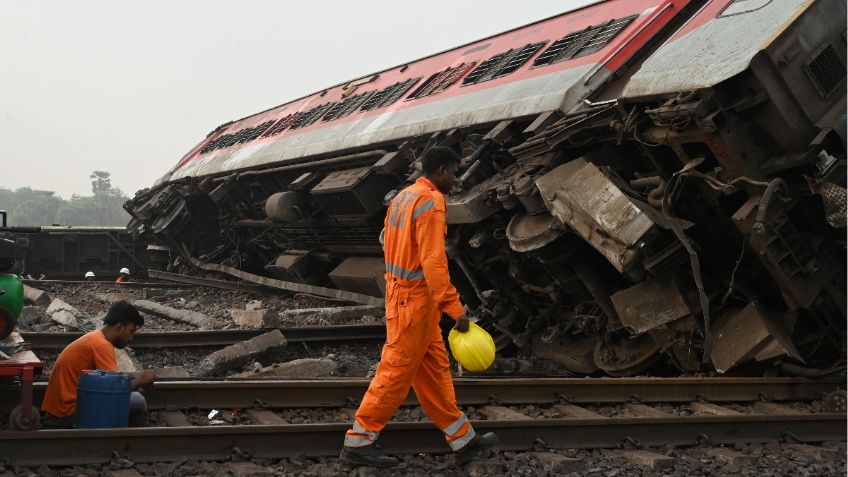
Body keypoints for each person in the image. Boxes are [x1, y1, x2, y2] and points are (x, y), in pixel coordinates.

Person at [340, 147, 498, 467]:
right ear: (440, 171)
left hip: (409, 299)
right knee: (396, 372)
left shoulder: (402, 197)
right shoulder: (431, 201)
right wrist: (456, 309)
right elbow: (433, 262)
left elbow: (386, 240)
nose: (456, 178)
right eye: (454, 172)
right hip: (414, 301)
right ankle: (358, 441)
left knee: (434, 371)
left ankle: (463, 439)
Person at [41, 300, 156, 428]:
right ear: (119, 327)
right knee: (137, 401)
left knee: (134, 395)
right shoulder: (102, 345)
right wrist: (140, 381)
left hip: (60, 411)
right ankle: (124, 443)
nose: (131, 338)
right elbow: (114, 390)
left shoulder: (95, 338)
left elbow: (110, 384)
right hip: (68, 414)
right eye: (131, 331)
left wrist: (138, 386)